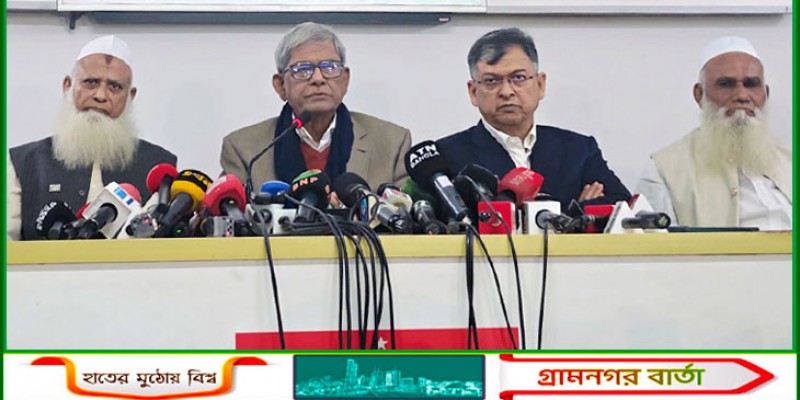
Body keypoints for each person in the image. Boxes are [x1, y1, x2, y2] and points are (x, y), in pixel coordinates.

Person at [436, 28, 630, 210]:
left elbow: (621, 204)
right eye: (491, 81)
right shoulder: (444, 156)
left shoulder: (578, 150)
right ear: (473, 92)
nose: (506, 92)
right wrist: (575, 209)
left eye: (518, 78)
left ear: (540, 85)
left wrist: (571, 217)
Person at [7, 35, 177, 241]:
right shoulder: (24, 162)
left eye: (115, 87)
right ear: (67, 86)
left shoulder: (159, 166)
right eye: (90, 82)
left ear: (130, 96)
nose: (100, 95)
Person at [220, 22, 412, 193]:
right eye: (302, 69)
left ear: (345, 80)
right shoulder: (243, 149)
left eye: (330, 67)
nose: (318, 79)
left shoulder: (392, 143)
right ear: (281, 85)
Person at [637, 36, 791, 230]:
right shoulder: (664, 170)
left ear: (765, 94)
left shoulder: (790, 158)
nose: (742, 95)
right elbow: (653, 243)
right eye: (726, 84)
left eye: (751, 84)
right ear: (699, 94)